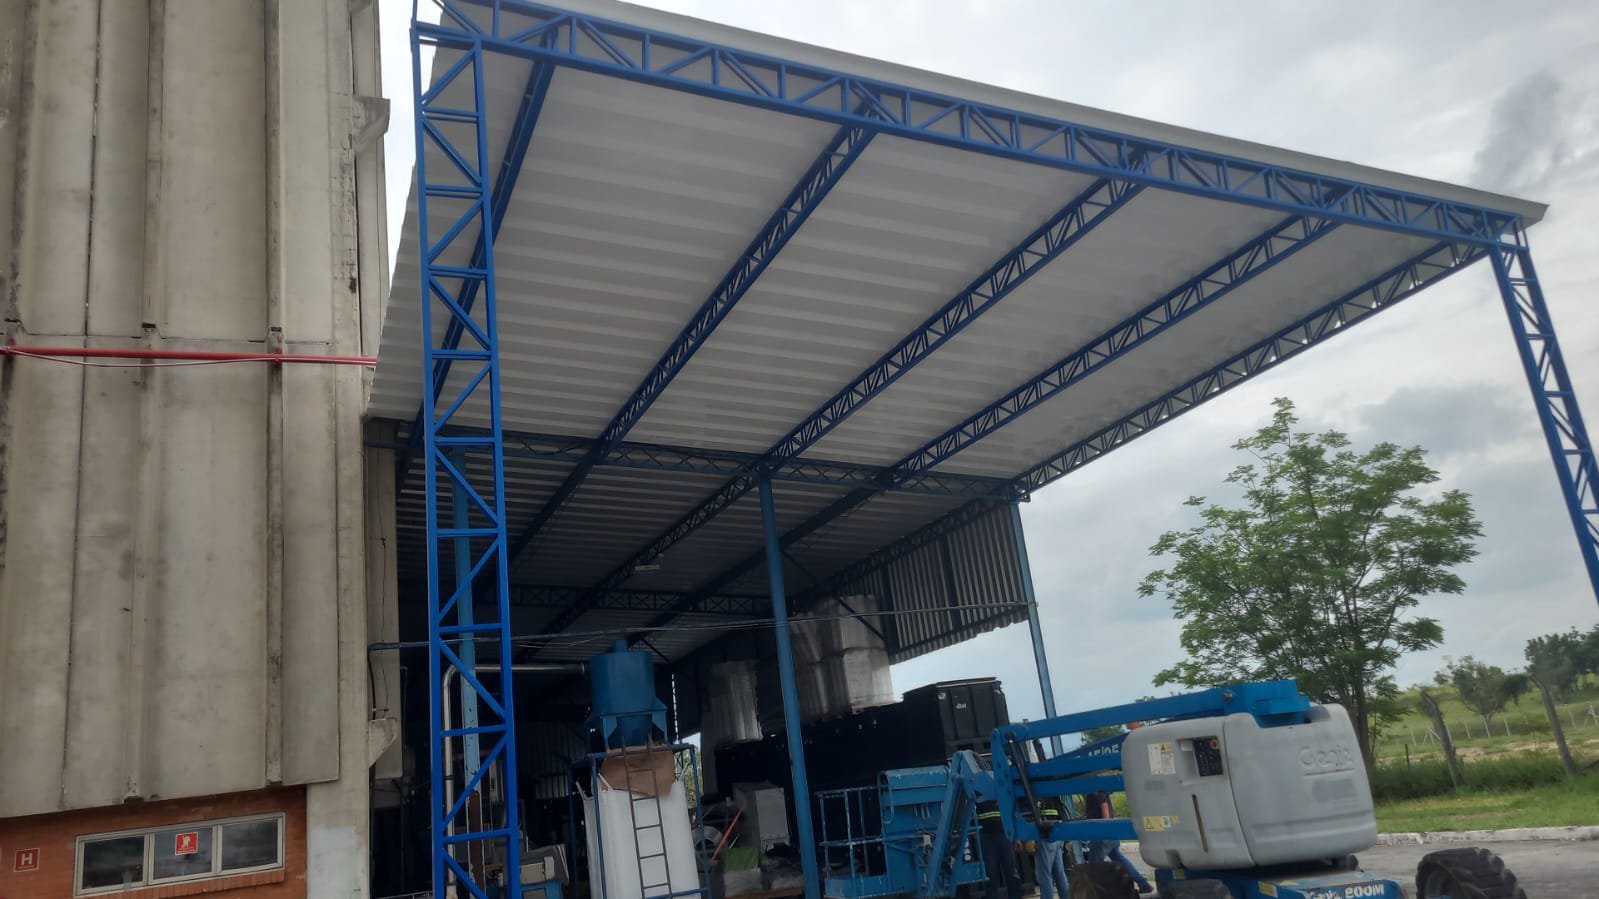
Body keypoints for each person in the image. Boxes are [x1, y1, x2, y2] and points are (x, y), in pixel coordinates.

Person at [1083, 790, 1153, 894]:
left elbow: (1104, 805)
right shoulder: (1100, 786)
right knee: (1119, 858)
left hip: (1101, 832)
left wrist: (1106, 830)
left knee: (1094, 865)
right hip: (1108, 830)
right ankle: (1143, 883)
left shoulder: (1095, 787)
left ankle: (1097, 893)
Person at [975, 795, 1023, 899]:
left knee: (1010, 869)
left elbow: (1013, 814)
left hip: (1004, 834)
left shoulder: (1001, 791)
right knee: (990, 871)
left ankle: (1015, 896)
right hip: (986, 836)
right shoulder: (978, 791)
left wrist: (1016, 837)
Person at [1033, 799, 1070, 899]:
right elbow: (1062, 813)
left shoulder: (1036, 795)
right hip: (1057, 836)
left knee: (1044, 876)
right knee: (1059, 873)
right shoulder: (1054, 796)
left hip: (1044, 837)